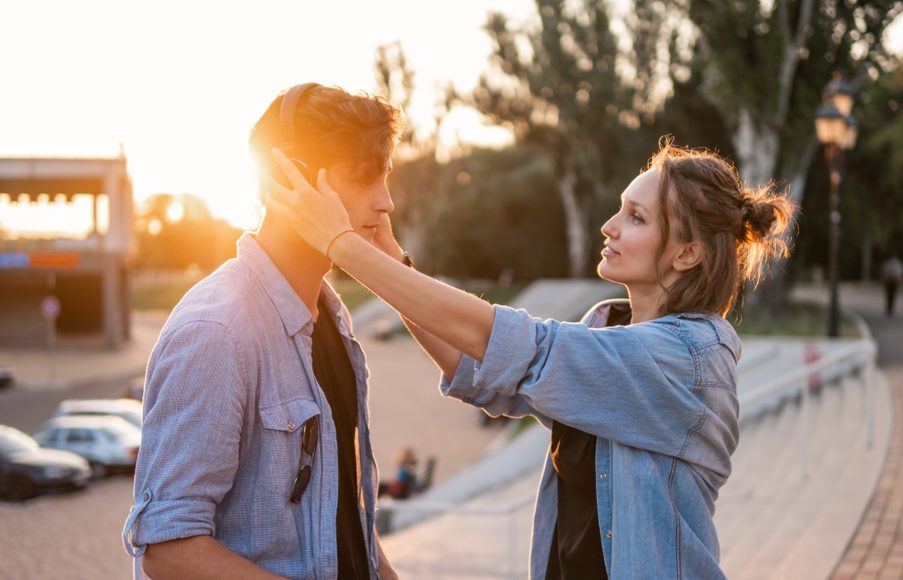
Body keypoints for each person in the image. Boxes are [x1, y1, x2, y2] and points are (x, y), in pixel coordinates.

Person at [269, 140, 795, 579]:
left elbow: (517, 344)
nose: (609, 226)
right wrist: (388, 258)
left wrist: (339, 244)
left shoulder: (689, 357)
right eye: (620, 208)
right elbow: (479, 368)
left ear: (686, 254)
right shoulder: (606, 326)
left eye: (636, 218)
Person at [122, 83, 401, 579]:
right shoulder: (217, 331)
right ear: (289, 180)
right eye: (365, 179)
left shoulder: (331, 319)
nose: (385, 202)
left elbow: (340, 506)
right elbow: (169, 549)